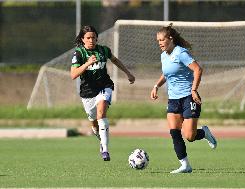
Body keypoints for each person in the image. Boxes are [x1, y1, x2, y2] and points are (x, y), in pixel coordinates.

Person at [150, 23, 217, 173]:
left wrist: (194, 89)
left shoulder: (181, 53)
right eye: (158, 41)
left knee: (190, 136)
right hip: (173, 99)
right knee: (174, 132)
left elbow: (198, 69)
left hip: (189, 97)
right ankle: (185, 165)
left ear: (171, 38)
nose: (160, 43)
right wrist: (156, 86)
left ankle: (204, 133)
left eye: (162, 40)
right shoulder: (163, 56)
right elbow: (167, 74)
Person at [71, 25, 135, 161]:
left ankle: (105, 150)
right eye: (88, 38)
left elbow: (115, 60)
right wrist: (87, 64)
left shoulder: (103, 50)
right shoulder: (79, 53)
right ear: (82, 39)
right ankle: (101, 139)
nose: (91, 40)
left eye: (94, 37)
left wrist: (128, 73)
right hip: (87, 92)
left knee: (101, 113)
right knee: (94, 123)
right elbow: (73, 74)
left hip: (104, 86)